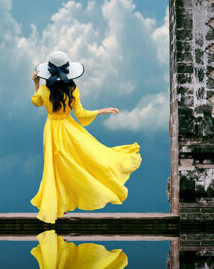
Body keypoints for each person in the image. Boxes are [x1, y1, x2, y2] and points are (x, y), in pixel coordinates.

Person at [30, 50, 142, 224]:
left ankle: (58, 206)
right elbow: (81, 115)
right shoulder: (72, 89)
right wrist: (101, 111)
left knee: (55, 168)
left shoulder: (44, 90)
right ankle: (64, 205)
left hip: (51, 130)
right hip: (68, 130)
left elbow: (36, 102)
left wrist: (36, 83)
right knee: (76, 164)